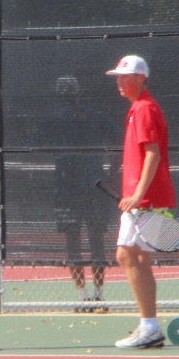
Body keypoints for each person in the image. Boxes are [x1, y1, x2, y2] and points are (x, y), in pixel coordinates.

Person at [105, 55, 176, 349]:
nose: (120, 82)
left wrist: (137, 195)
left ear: (141, 78)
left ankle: (149, 326)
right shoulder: (139, 107)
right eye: (118, 77)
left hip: (145, 200)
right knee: (140, 258)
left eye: (126, 76)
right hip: (146, 198)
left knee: (126, 256)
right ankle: (150, 326)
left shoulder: (145, 108)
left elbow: (152, 154)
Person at [50, 76, 121, 312]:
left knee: (94, 238)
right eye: (64, 93)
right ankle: (84, 297)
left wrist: (112, 171)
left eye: (70, 92)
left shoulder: (94, 116)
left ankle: (96, 295)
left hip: (92, 187)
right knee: (76, 240)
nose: (68, 96)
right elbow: (32, 143)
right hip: (67, 187)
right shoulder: (55, 119)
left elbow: (122, 141)